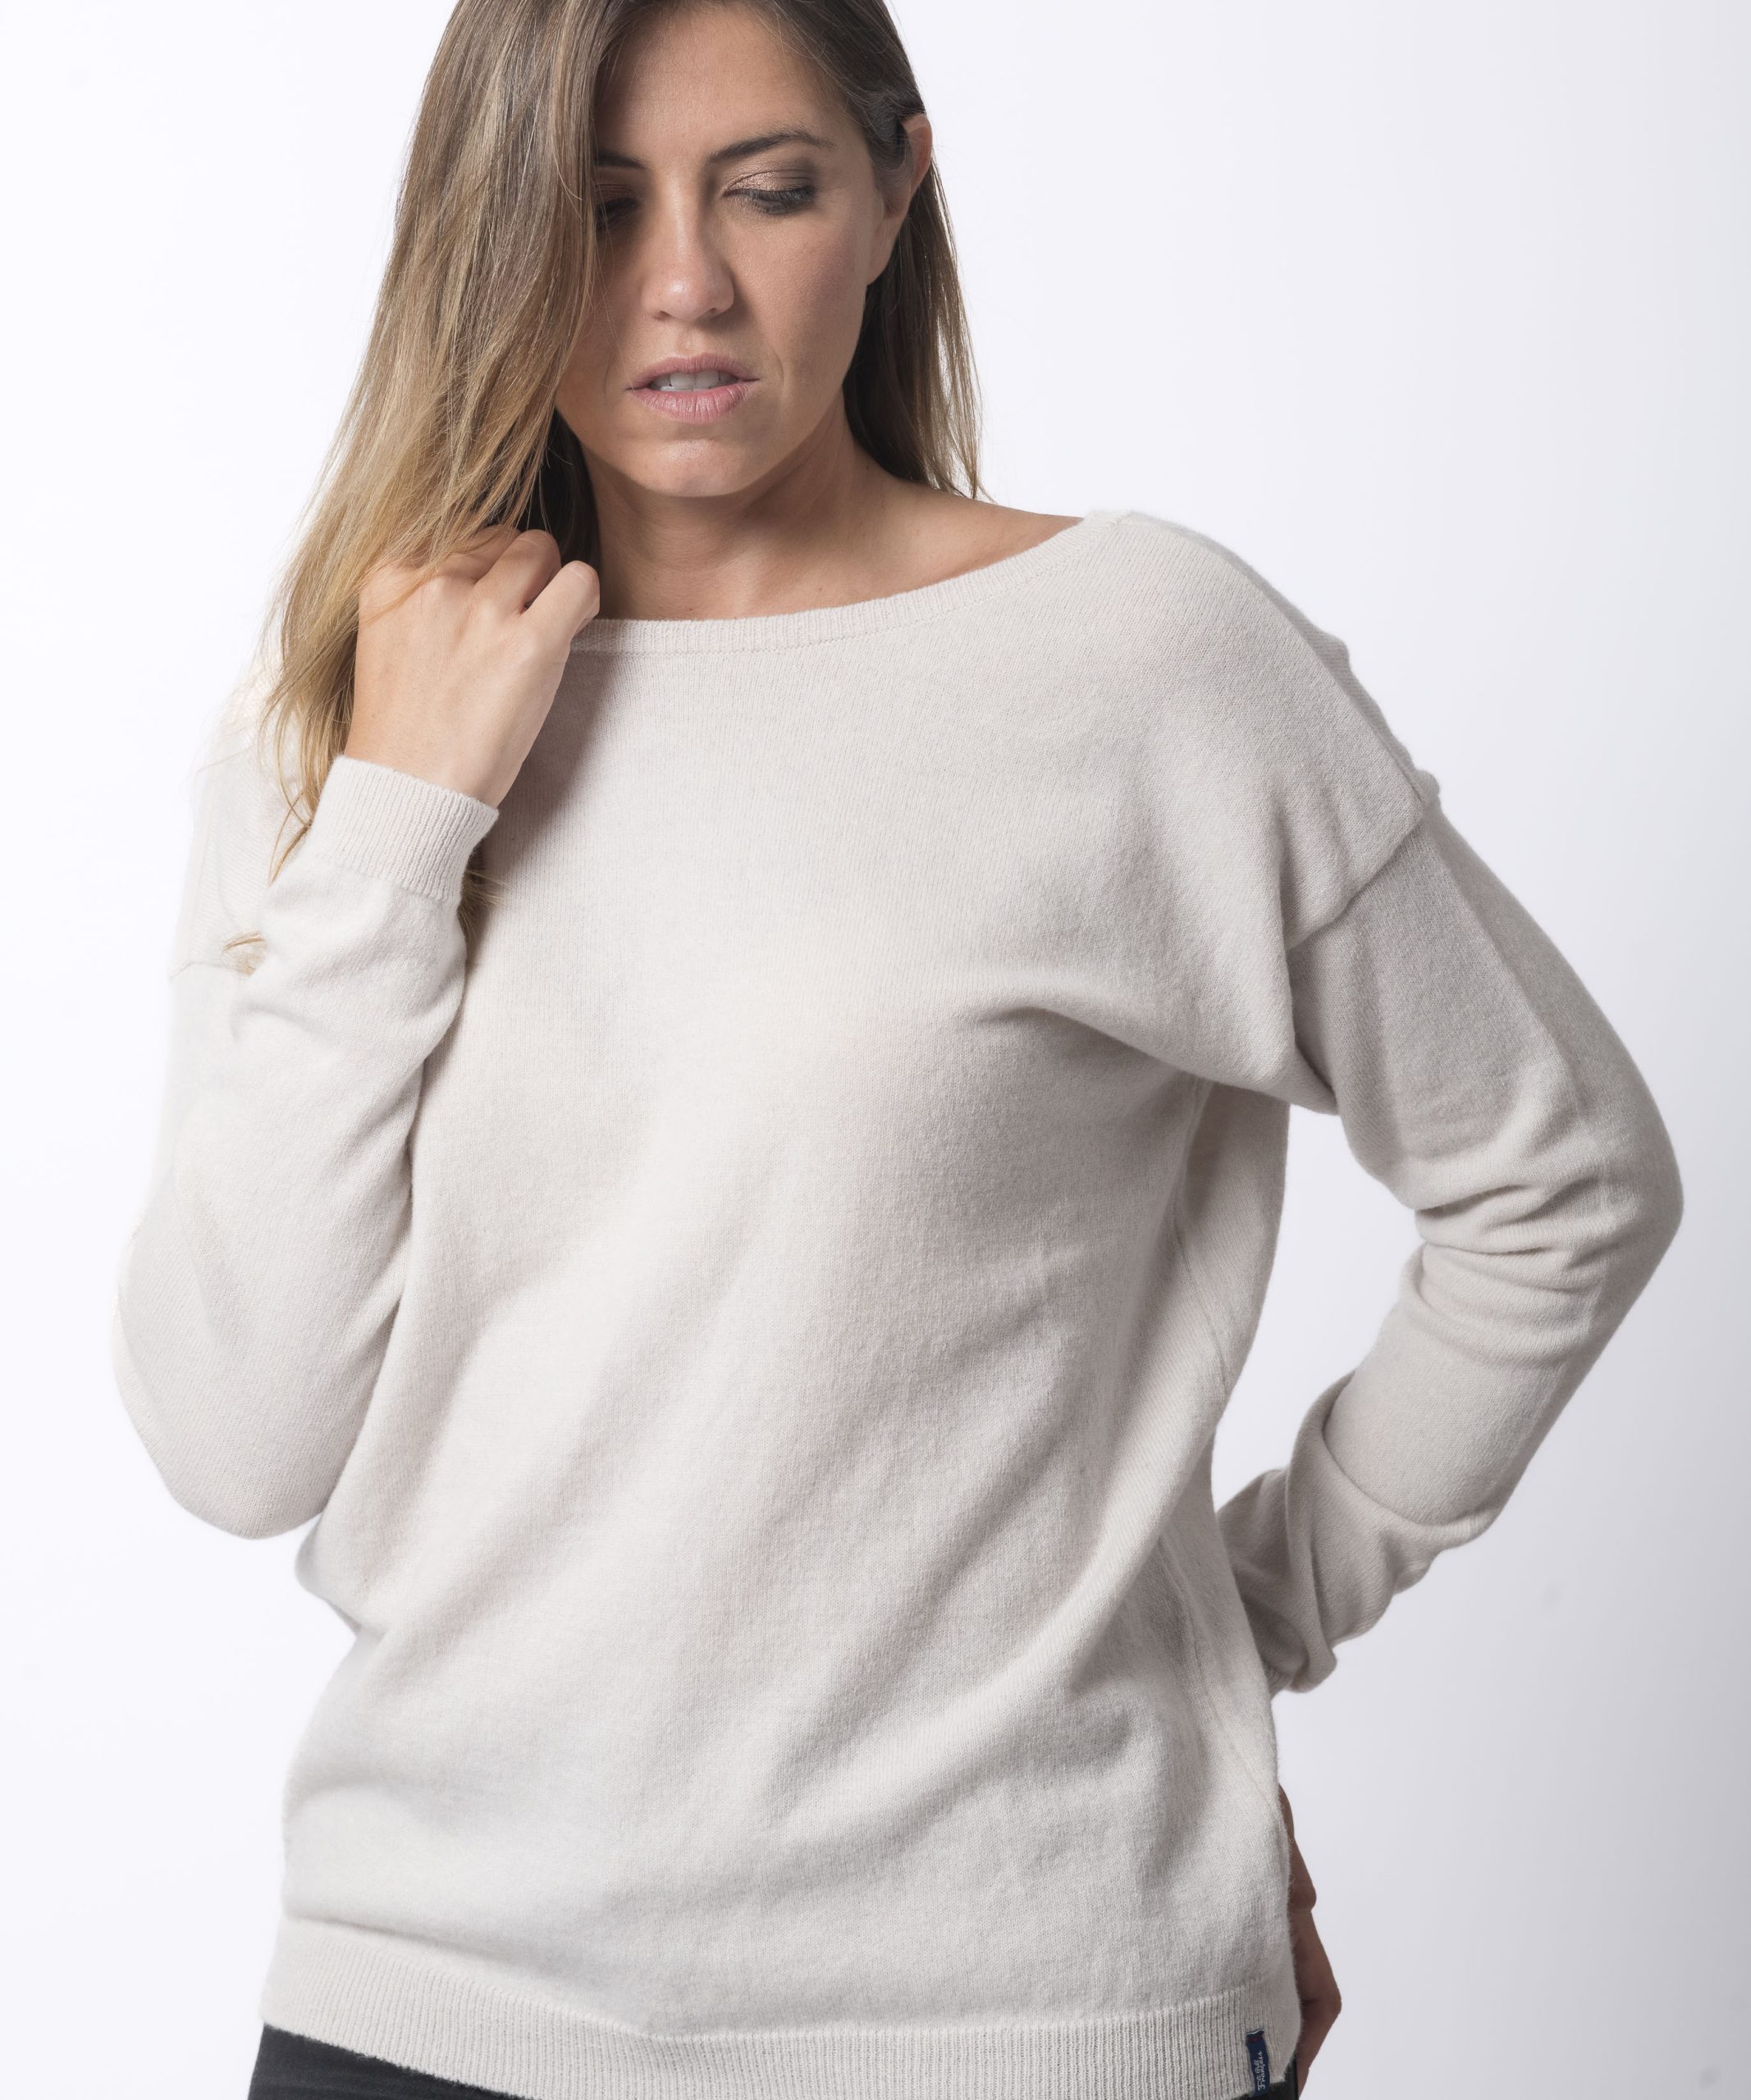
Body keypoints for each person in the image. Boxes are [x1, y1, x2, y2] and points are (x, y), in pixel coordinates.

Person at [107, 2, 1683, 2098]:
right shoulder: (346, 726)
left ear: (889, 193)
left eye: (766, 190)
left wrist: (1233, 1625)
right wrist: (399, 825)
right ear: (484, 232)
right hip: (423, 1999)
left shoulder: (1137, 659)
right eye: (593, 207)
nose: (682, 281)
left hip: (1015, 2010)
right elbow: (236, 1438)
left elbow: (1560, 1176)